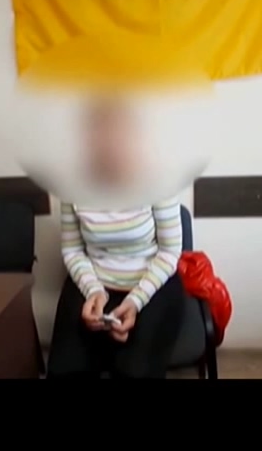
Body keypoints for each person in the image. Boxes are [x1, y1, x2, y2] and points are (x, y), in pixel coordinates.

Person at [46, 96, 185, 378]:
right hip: (93, 282)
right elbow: (73, 251)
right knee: (65, 370)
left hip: (152, 284)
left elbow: (170, 252)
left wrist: (135, 301)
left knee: (133, 371)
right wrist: (94, 291)